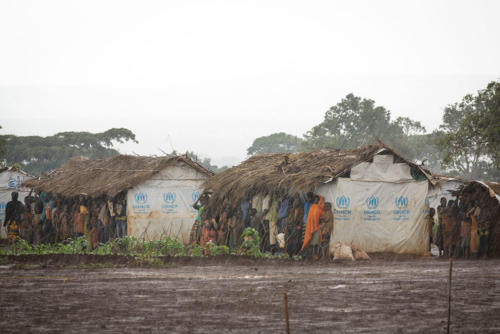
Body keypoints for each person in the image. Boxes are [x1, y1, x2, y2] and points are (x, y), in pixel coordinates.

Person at [301, 195, 325, 260]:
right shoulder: (312, 207)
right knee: (310, 242)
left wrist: (320, 224)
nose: (315, 200)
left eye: (317, 199)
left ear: (319, 200)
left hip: (317, 228)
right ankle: (311, 255)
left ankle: (315, 255)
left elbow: (322, 217)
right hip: (310, 227)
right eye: (315, 199)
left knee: (316, 243)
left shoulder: (321, 209)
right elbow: (310, 217)